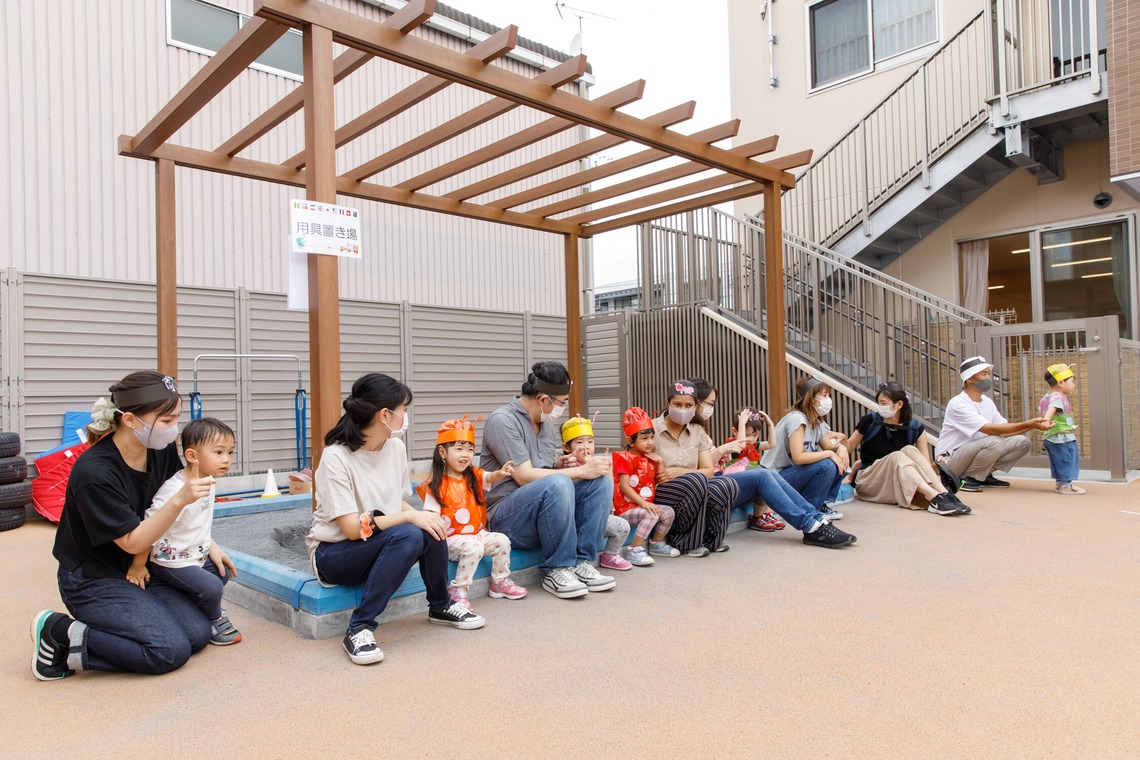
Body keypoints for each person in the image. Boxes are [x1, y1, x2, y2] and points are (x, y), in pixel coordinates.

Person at [33, 371, 219, 680]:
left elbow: (173, 513)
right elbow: (133, 541)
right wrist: (179, 501)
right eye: (165, 420)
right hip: (93, 578)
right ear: (131, 420)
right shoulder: (95, 472)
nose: (173, 428)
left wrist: (210, 544)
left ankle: (126, 623)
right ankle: (60, 632)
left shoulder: (160, 450)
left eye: (176, 418)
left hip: (143, 567)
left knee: (197, 634)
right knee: (168, 651)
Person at [308, 373, 483, 667]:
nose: (406, 417)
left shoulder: (395, 448)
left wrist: (421, 515)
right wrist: (408, 516)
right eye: (403, 410)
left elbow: (397, 501)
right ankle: (360, 627)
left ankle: (440, 605)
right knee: (410, 532)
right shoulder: (335, 458)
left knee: (429, 524)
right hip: (335, 554)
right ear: (385, 415)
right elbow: (351, 529)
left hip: (377, 544)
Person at [481, 362, 615, 599]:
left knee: (600, 480)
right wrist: (577, 473)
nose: (563, 407)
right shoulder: (502, 420)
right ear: (544, 400)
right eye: (562, 401)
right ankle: (558, 568)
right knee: (561, 482)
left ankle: (581, 562)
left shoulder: (545, 423)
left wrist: (559, 464)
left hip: (542, 511)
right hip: (505, 518)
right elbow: (523, 476)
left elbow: (541, 469)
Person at [127, 417, 242, 646]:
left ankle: (198, 603)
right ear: (192, 456)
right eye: (218, 452)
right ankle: (215, 618)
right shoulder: (175, 489)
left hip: (191, 556)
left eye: (230, 452)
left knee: (222, 573)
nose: (226, 459)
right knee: (212, 587)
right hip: (169, 561)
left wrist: (210, 546)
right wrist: (138, 566)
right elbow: (151, 527)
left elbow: (197, 523)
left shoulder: (206, 481)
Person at [416, 416, 527, 613]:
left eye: (469, 449)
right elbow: (430, 517)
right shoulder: (436, 485)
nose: (465, 455)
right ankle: (458, 589)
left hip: (476, 535)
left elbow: (489, 476)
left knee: (502, 540)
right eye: (459, 449)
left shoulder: (474, 475)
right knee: (473, 548)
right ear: (442, 452)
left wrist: (500, 473)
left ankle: (499, 581)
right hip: (451, 540)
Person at [846, 382, 969, 516]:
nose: (880, 407)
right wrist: (841, 443)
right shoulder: (870, 421)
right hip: (869, 481)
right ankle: (934, 497)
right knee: (897, 456)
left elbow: (925, 465)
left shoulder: (915, 428)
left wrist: (938, 465)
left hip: (897, 481)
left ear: (899, 404)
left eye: (884, 403)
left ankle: (944, 494)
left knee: (909, 449)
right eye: (879, 403)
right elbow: (850, 445)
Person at [651, 380, 740, 556]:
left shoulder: (697, 430)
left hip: (692, 485)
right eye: (677, 404)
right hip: (660, 488)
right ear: (667, 403)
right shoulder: (651, 428)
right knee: (697, 480)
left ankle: (710, 540)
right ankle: (685, 542)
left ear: (695, 406)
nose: (683, 409)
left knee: (727, 484)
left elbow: (708, 469)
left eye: (688, 405)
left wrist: (680, 472)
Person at [935, 356, 1050, 492]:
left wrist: (1031, 426)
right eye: (983, 374)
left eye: (988, 373)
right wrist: (1027, 424)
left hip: (973, 453)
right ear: (969, 378)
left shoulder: (987, 402)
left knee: (1022, 442)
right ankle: (968, 479)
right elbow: (989, 429)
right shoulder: (958, 404)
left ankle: (982, 475)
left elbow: (1003, 431)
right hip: (950, 459)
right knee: (995, 441)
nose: (988, 378)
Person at [760, 375, 850, 520]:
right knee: (827, 464)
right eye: (824, 395)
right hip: (775, 478)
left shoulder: (816, 420)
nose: (828, 400)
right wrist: (830, 454)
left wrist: (841, 449)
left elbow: (829, 446)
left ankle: (819, 504)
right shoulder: (798, 418)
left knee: (840, 461)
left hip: (793, 475)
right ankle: (810, 509)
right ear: (811, 398)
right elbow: (799, 457)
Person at [560, 415, 640, 571]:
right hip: (574, 520)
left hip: (595, 520)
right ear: (566, 447)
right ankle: (578, 559)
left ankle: (609, 555)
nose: (586, 446)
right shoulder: (567, 464)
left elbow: (607, 494)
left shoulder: (600, 463)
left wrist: (608, 470)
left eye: (590, 441)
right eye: (579, 442)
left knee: (622, 526)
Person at [609, 407, 680, 567]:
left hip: (641, 507)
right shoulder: (625, 458)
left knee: (668, 512)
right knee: (652, 514)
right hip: (626, 509)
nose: (650, 442)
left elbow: (660, 481)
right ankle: (634, 549)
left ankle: (656, 544)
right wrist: (644, 503)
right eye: (644, 438)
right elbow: (625, 487)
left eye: (652, 437)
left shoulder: (650, 458)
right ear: (629, 441)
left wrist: (660, 462)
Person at [722, 408, 785, 532]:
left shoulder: (753, 445)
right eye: (746, 435)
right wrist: (741, 423)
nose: (751, 439)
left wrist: (770, 424)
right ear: (735, 431)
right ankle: (757, 518)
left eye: (755, 435)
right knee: (763, 479)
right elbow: (741, 446)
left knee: (769, 480)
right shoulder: (732, 443)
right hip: (736, 484)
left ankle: (765, 515)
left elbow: (771, 444)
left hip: (751, 482)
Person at [1039, 363, 1085, 495]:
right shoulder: (1057, 397)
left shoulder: (1046, 397)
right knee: (1068, 458)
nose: (1074, 385)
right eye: (1072, 382)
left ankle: (1060, 483)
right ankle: (1066, 485)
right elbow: (1052, 409)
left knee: (1057, 460)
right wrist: (1047, 419)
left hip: (1051, 436)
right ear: (1060, 382)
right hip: (1061, 436)